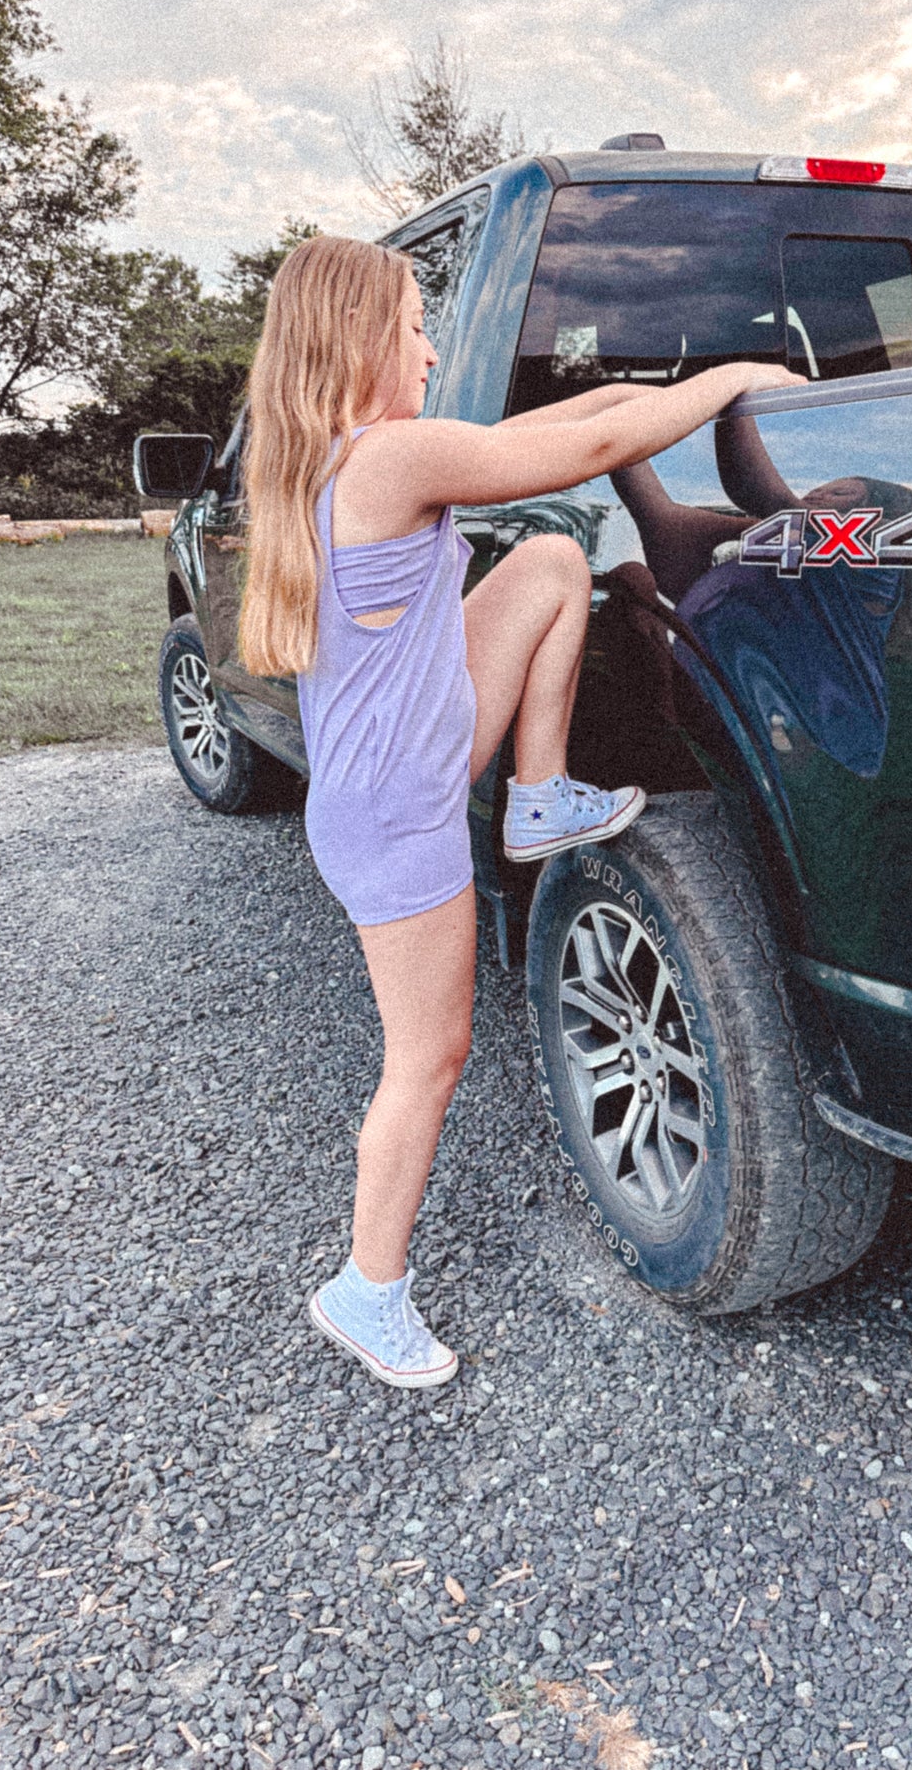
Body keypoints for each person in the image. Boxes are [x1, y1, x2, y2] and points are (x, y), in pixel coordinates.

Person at [237, 235, 806, 1390]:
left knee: (549, 563)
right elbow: (586, 446)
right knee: (429, 1057)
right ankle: (366, 1287)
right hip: (399, 819)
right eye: (408, 324)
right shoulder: (388, 458)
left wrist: (658, 385)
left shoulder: (336, 462)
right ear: (355, 340)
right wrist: (733, 384)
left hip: (405, 767)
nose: (429, 345)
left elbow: (576, 421)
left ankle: (540, 798)